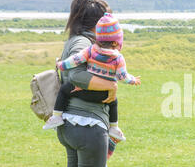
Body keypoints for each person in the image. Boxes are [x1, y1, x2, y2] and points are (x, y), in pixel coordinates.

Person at [56, 0, 123, 167]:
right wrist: (110, 85)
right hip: (88, 127)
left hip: (71, 126)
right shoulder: (83, 43)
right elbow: (74, 74)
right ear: (98, 23)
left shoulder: (75, 39)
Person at [44, 13, 141, 141]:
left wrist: (61, 65)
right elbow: (123, 77)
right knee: (114, 102)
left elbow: (75, 60)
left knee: (64, 89)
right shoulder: (118, 58)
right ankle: (114, 127)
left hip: (82, 90)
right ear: (116, 42)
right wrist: (133, 80)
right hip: (103, 95)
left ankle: (56, 116)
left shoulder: (90, 50)